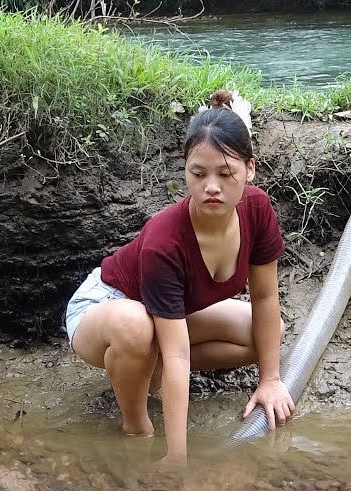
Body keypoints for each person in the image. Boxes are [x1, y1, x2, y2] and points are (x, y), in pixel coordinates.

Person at [64, 89, 294, 466]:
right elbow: (178, 352)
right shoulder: (164, 241)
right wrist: (177, 457)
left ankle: (143, 371)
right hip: (106, 305)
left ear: (249, 169)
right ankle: (137, 430)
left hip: (166, 319)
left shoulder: (258, 208)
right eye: (198, 174)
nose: (212, 187)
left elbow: (266, 299)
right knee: (135, 326)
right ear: (184, 170)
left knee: (269, 334)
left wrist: (270, 380)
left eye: (226, 173)